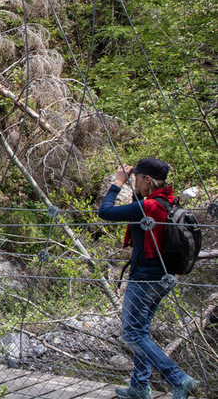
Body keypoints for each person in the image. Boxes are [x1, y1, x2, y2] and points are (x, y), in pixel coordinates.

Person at [98, 158, 197, 399]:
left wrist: (117, 184)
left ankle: (178, 379)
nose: (134, 182)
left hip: (146, 275)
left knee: (132, 334)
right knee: (140, 331)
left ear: (147, 179)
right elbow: (139, 214)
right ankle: (140, 387)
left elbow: (106, 212)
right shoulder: (166, 201)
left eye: (136, 178)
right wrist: (133, 187)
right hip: (162, 275)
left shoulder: (150, 206)